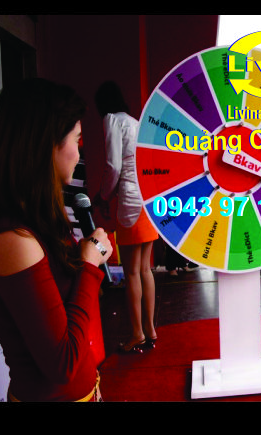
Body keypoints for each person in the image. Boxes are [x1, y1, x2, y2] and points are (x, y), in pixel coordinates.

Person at [0, 78, 113, 401]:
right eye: (76, 140)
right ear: (46, 143)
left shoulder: (33, 217)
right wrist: (89, 264)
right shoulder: (14, 239)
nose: (79, 153)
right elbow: (62, 363)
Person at [94, 81, 159, 353]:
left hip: (130, 201)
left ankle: (136, 334)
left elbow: (113, 166)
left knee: (131, 271)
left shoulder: (112, 120)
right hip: (147, 198)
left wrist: (103, 195)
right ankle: (150, 330)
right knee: (145, 269)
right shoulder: (135, 121)